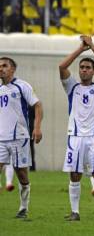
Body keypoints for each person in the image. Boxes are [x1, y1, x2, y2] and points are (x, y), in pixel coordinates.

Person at [59, 35, 94, 221]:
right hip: (75, 136)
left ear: (93, 71)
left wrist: (92, 45)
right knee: (75, 174)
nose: (84, 70)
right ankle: (75, 212)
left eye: (88, 67)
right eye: (82, 67)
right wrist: (81, 49)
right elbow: (62, 67)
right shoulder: (72, 87)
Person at [0, 57, 43, 218]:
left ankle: (23, 208)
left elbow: (38, 105)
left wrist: (37, 128)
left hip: (19, 137)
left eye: (4, 66)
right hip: (1, 138)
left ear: (12, 69)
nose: (1, 69)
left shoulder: (22, 86)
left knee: (22, 174)